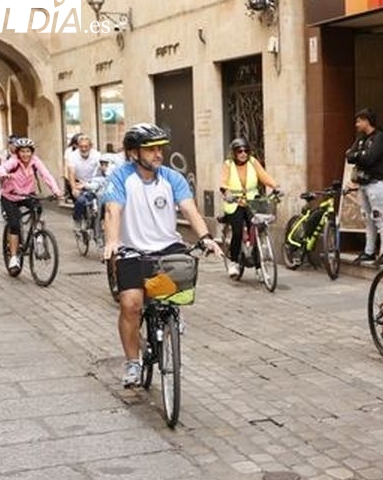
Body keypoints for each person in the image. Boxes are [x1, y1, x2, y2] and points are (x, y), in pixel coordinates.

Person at [102, 123, 223, 387]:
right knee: (131, 305)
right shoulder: (120, 178)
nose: (158, 154)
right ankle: (132, 362)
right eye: (151, 149)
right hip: (131, 250)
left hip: (167, 248)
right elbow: (112, 211)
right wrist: (112, 242)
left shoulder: (172, 178)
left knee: (173, 296)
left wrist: (205, 237)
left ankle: (170, 319)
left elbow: (190, 210)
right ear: (134, 153)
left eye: (160, 149)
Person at [0, 138, 63, 274]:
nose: (25, 154)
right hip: (10, 196)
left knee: (38, 208)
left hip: (27, 195)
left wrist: (56, 191)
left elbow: (46, 175)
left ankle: (38, 236)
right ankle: (14, 257)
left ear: (32, 152)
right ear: (17, 152)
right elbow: (1, 168)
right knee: (15, 224)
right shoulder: (14, 161)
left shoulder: (35, 161)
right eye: (22, 151)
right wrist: (4, 174)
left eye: (28, 151)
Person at [218, 137, 280, 279]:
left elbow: (263, 176)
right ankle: (234, 262)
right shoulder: (228, 164)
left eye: (246, 150)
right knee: (238, 232)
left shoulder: (252, 162)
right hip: (234, 203)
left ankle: (259, 268)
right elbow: (223, 182)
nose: (243, 153)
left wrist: (275, 186)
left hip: (252, 202)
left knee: (256, 231)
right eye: (240, 151)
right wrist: (227, 192)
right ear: (234, 153)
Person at [345, 108, 383, 264]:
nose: (356, 124)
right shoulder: (361, 139)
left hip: (377, 184)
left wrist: (358, 155)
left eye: (359, 121)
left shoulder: (381, 138)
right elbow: (349, 156)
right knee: (368, 219)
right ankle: (369, 251)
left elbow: (370, 158)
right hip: (363, 184)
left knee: (381, 218)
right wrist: (360, 155)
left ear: (367, 120)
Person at [67, 134, 101, 231]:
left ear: (90, 146)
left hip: (93, 182)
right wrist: (74, 188)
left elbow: (102, 168)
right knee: (80, 201)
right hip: (78, 182)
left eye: (86, 146)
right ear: (78, 146)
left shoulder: (97, 155)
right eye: (81, 146)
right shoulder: (73, 156)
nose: (84, 149)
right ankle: (77, 220)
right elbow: (71, 173)